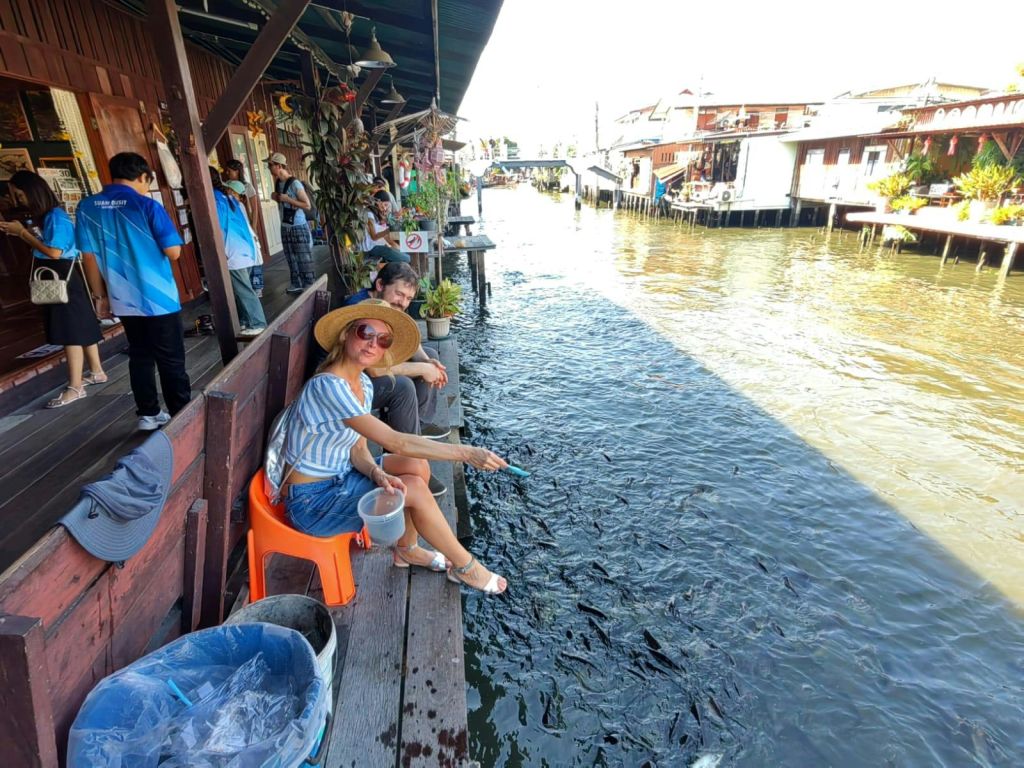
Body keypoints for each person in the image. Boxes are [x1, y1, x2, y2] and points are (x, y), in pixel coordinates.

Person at [281, 298, 507, 594]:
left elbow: (358, 451)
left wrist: (377, 473)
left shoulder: (362, 384)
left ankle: (407, 549)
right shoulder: (328, 386)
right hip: (311, 503)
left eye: (383, 339)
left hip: (340, 477)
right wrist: (465, 453)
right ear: (346, 334)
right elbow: (394, 441)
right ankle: (467, 567)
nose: (373, 344)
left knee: (415, 466)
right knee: (414, 489)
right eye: (365, 332)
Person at [76, 152, 190, 430]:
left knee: (140, 355)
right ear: (142, 176)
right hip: (159, 298)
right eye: (147, 181)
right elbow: (173, 252)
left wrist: (100, 296)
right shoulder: (146, 205)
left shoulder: (87, 207)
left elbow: (88, 257)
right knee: (171, 359)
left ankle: (148, 414)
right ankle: (183, 417)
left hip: (122, 297)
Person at [0, 171, 106, 408]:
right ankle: (97, 371)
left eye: (20, 195)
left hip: (61, 275)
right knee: (81, 323)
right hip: (66, 275)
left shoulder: (55, 216)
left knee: (70, 331)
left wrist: (22, 233)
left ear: (33, 192)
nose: (18, 201)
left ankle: (75, 387)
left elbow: (54, 252)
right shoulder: (51, 216)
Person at [343, 262, 449, 454]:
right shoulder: (362, 309)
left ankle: (417, 427)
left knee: (429, 355)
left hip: (364, 372)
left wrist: (426, 362)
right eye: (399, 294)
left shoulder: (386, 304)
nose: (403, 303)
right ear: (380, 285)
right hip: (346, 386)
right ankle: (404, 453)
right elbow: (374, 369)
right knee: (401, 386)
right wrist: (424, 369)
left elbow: (407, 338)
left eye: (409, 298)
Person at [210, 168, 267, 337]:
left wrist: (220, 251)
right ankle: (245, 320)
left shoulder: (215, 200)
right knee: (239, 289)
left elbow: (218, 228)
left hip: (234, 251)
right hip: (245, 248)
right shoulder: (228, 198)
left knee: (243, 290)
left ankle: (258, 322)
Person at [266, 152, 314, 293]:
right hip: (285, 225)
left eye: (270, 165)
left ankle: (310, 285)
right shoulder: (278, 183)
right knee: (290, 257)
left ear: (279, 166)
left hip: (298, 225)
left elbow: (307, 205)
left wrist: (288, 199)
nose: (269, 168)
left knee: (303, 257)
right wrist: (276, 197)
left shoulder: (294, 183)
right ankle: (296, 283)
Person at [222, 160, 263, 297]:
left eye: (229, 170)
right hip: (235, 227)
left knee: (254, 254)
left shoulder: (247, 187)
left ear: (237, 171)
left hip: (246, 223)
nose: (227, 173)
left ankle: (257, 286)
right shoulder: (226, 185)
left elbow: (254, 209)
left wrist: (253, 226)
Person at [363, 190, 410, 265]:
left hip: (376, 246)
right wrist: (389, 230)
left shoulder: (376, 214)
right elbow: (374, 237)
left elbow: (384, 222)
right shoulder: (369, 214)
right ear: (378, 202)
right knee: (407, 258)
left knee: (404, 253)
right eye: (384, 204)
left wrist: (396, 216)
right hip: (370, 249)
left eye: (386, 205)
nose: (385, 208)